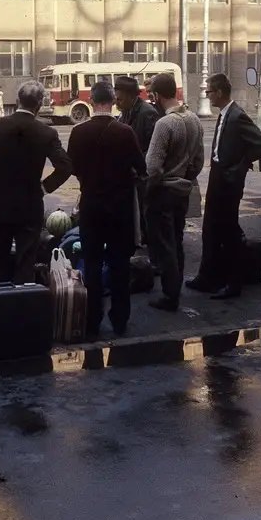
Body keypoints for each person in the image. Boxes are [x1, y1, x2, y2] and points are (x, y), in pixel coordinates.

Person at [0, 81, 72, 284]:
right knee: (26, 261)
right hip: (30, 204)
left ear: (17, 100)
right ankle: (23, 305)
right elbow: (66, 167)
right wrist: (44, 187)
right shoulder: (46, 133)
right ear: (39, 104)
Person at [68, 81, 146, 337]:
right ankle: (120, 320)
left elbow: (74, 168)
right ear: (112, 101)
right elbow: (141, 167)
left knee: (91, 264)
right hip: (120, 209)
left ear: (91, 101)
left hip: (91, 206)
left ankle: (92, 320)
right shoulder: (125, 132)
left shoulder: (78, 133)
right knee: (119, 264)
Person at [186, 73, 261, 300]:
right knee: (210, 230)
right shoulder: (225, 115)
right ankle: (206, 278)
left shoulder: (237, 116)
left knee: (229, 233)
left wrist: (240, 166)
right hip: (217, 179)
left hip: (229, 183)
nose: (207, 95)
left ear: (220, 92)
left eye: (209, 92)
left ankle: (233, 285)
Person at [143, 73, 204, 311]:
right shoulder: (194, 119)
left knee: (164, 245)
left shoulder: (164, 124)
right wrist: (187, 179)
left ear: (157, 96)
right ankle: (175, 288)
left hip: (163, 192)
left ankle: (170, 296)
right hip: (183, 191)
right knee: (177, 241)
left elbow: (153, 167)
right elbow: (199, 160)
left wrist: (150, 190)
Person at [115, 75, 163, 264]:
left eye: (119, 99)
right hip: (132, 174)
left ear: (129, 96)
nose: (116, 102)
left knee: (149, 218)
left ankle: (156, 262)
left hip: (144, 175)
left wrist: (138, 166)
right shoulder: (127, 111)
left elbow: (154, 148)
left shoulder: (147, 113)